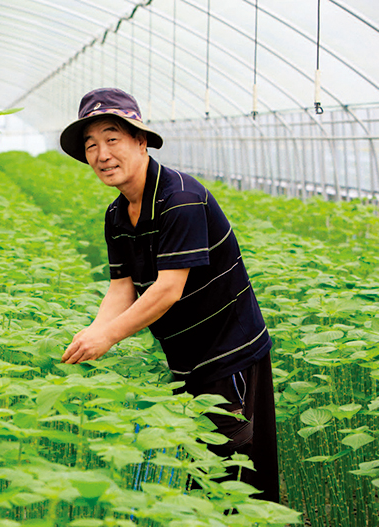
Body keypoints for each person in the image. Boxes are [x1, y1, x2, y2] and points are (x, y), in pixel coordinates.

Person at [59, 88, 279, 502]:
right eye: (91, 146)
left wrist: (107, 337)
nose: (101, 154)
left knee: (235, 467)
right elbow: (121, 287)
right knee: (202, 462)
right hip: (185, 354)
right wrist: (90, 334)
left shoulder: (180, 198)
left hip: (228, 349)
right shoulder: (117, 213)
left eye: (112, 139)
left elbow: (167, 289)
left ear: (140, 140)